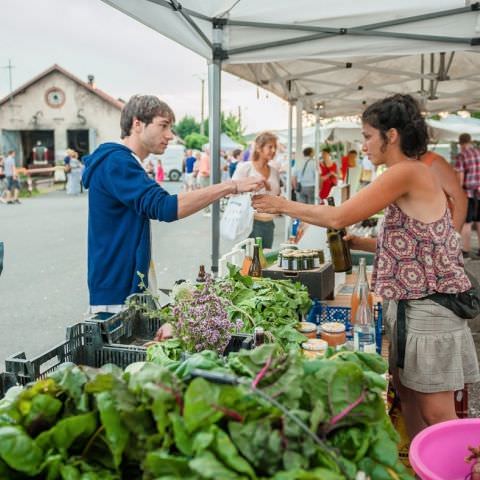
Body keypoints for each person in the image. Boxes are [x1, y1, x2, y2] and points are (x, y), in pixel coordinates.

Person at [253, 94, 480, 439]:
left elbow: (339, 215)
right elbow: (418, 245)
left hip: (430, 310)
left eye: (367, 136)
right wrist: (359, 244)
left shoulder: (406, 172)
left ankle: (457, 467)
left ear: (391, 136)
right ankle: (422, 466)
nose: (364, 145)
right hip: (412, 307)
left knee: (438, 413)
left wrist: (282, 204)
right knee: (410, 399)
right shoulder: (410, 173)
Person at [81, 94, 265, 312]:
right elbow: (165, 207)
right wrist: (231, 186)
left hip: (124, 282)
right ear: (137, 124)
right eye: (163, 126)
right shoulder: (116, 162)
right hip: (117, 288)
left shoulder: (124, 161)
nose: (170, 135)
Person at [233, 131, 281, 248]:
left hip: (269, 223)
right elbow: (232, 192)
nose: (273, 150)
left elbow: (276, 194)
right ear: (259, 148)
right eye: (270, 147)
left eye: (275, 147)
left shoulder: (274, 171)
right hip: (250, 223)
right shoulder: (245, 168)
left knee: (265, 261)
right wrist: (252, 187)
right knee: (249, 262)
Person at [421, 150, 467, 233]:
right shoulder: (477, 153)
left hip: (437, 226)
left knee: (468, 225)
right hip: (474, 191)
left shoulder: (433, 161)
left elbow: (460, 178)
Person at [454, 133, 480, 257]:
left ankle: (466, 249)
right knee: (479, 221)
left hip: (468, 193)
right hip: (479, 192)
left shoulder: (462, 156)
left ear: (461, 144)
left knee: (467, 222)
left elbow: (460, 177)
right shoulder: (478, 153)